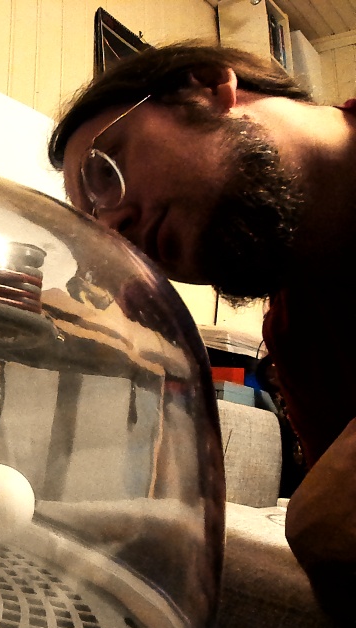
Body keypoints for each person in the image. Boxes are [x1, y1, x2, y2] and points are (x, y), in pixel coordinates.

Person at [46, 42, 356, 595]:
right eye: (95, 230)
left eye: (103, 172)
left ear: (210, 87)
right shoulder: (297, 338)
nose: (114, 232)